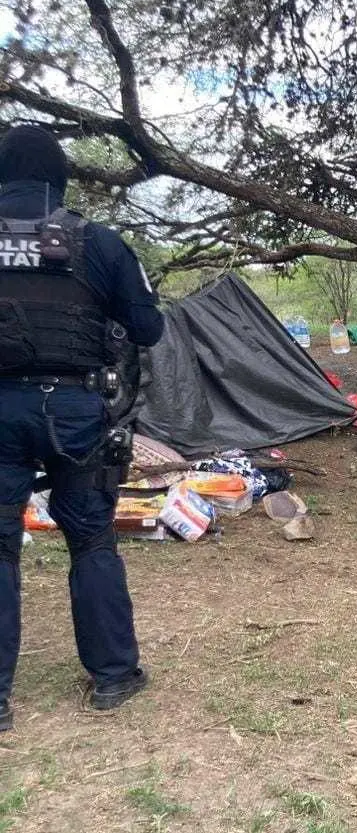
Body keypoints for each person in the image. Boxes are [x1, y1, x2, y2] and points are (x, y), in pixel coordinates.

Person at [0, 124, 165, 729]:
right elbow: (148, 329)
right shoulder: (95, 240)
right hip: (74, 409)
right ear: (60, 178)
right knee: (92, 538)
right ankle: (113, 677)